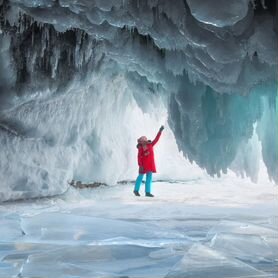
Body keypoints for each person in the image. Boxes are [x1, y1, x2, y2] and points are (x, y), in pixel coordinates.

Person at [133, 125, 164, 197]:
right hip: (143, 166)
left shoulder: (150, 145)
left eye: (145, 139)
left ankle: (147, 192)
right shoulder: (141, 148)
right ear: (141, 141)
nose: (144, 140)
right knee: (140, 177)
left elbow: (156, 139)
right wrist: (140, 165)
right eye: (143, 139)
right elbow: (139, 157)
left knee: (149, 179)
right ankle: (136, 190)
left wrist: (160, 131)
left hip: (150, 165)